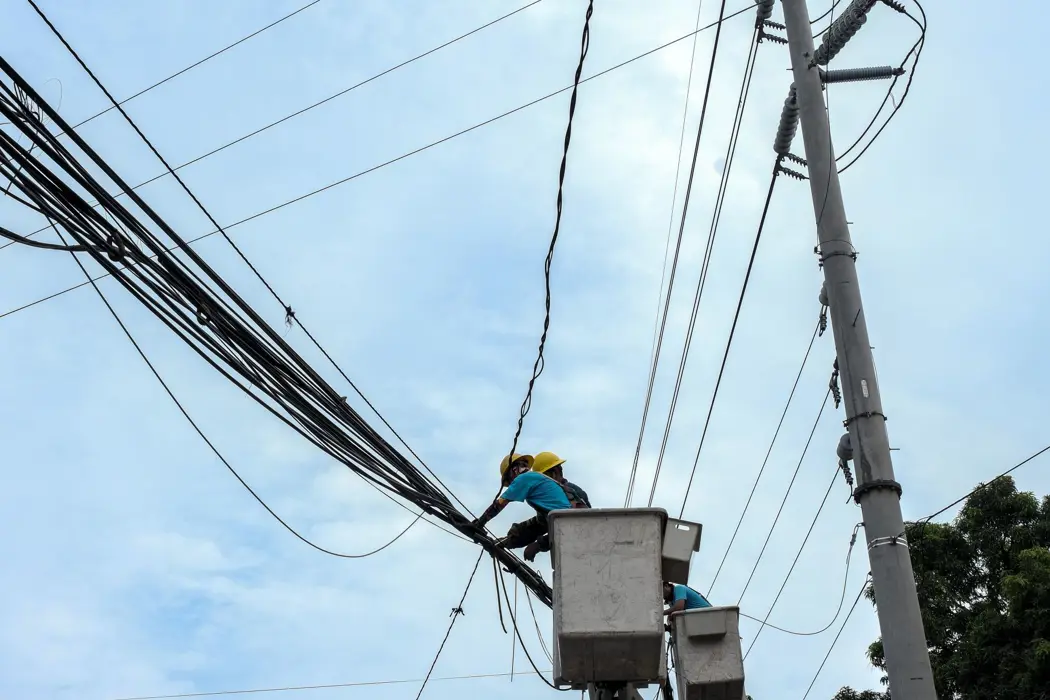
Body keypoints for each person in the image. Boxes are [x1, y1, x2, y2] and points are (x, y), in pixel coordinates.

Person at [471, 453, 573, 562]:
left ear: (514, 470)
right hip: (566, 521)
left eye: (510, 480)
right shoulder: (538, 480)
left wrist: (479, 524)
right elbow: (536, 526)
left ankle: (507, 541)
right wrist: (508, 540)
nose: (512, 484)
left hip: (567, 523)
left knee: (531, 528)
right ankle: (506, 541)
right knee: (525, 528)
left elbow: (499, 505)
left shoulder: (524, 478)